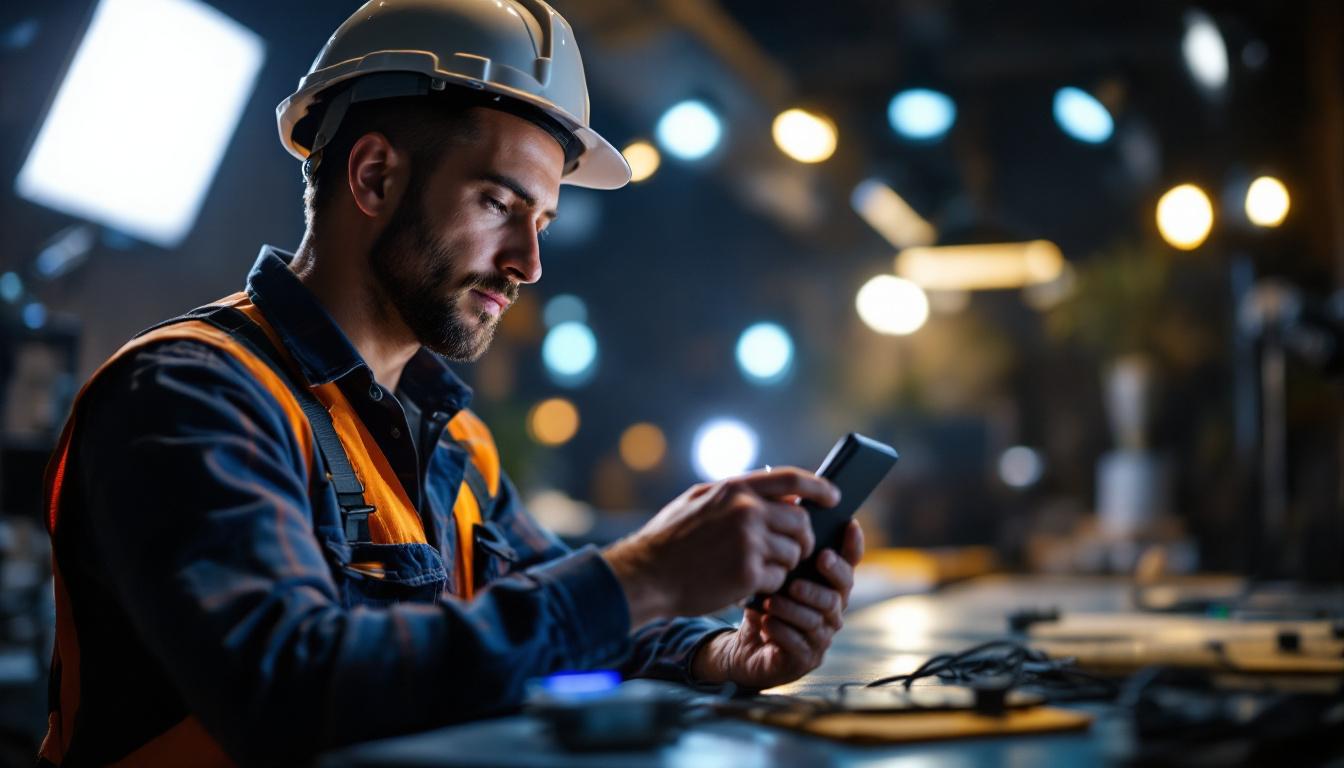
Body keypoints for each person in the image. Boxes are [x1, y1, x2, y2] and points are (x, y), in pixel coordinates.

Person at [38, 1, 864, 765]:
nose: (528, 263)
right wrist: (642, 575)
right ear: (372, 179)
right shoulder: (192, 396)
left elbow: (552, 630)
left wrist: (721, 653)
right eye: (499, 204)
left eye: (539, 222)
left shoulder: (452, 439)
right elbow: (286, 686)